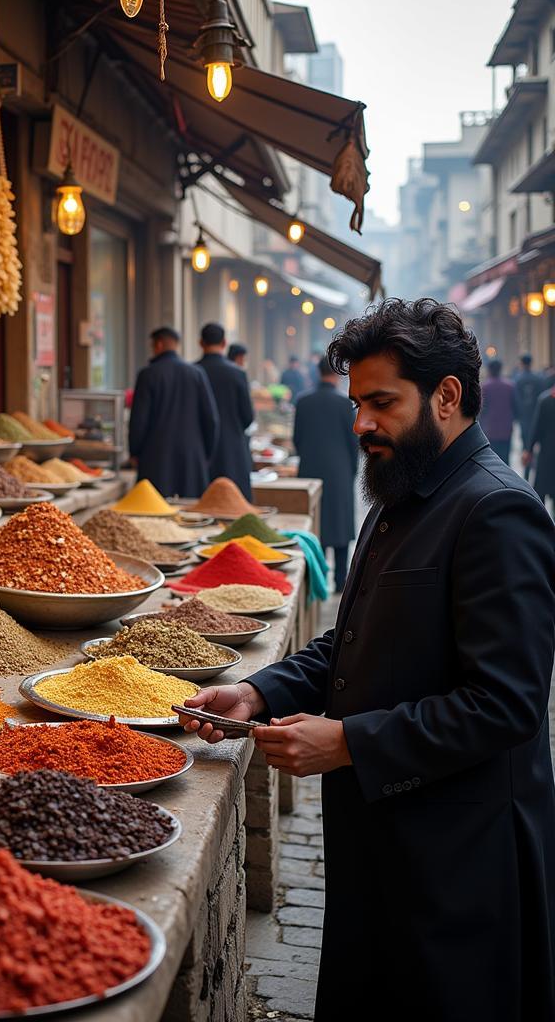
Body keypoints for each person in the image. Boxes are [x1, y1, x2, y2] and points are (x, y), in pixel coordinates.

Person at [181, 298, 555, 1022]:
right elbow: (352, 640)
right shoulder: (402, 488)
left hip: (461, 862)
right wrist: (258, 692)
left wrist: (352, 741)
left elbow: (507, 703)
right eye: (356, 403)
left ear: (447, 397)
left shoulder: (497, 511)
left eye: (380, 403)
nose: (360, 424)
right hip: (387, 844)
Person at [128, 326, 219, 498]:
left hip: (156, 456)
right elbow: (211, 419)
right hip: (192, 456)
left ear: (159, 345)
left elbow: (139, 420)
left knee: (156, 513)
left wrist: (135, 452)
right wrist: (205, 454)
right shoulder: (197, 374)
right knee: (190, 513)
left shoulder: (148, 375)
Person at [293, 358, 358, 591]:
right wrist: (352, 469)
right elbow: (355, 442)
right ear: (337, 375)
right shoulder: (345, 404)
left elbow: (297, 439)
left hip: (310, 470)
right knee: (340, 523)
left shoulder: (303, 401)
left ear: (317, 373)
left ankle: (314, 580)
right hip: (339, 470)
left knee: (314, 524)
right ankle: (341, 581)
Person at [196, 323, 254, 498]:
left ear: (201, 343)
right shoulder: (237, 374)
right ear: (224, 343)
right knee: (235, 506)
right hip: (232, 449)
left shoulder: (193, 372)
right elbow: (248, 417)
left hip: (202, 450)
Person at [523, 379, 555, 510]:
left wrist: (528, 450)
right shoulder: (545, 400)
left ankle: (542, 525)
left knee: (540, 491)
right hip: (547, 454)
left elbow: (536, 428)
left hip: (547, 454)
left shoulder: (546, 400)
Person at [479, 358, 515, 463]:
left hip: (489, 429)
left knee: (491, 461)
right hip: (506, 429)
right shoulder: (510, 386)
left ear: (489, 370)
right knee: (505, 459)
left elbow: (481, 410)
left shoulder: (484, 387)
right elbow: (515, 407)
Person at [514, 352, 543, 438]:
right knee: (535, 434)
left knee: (524, 435)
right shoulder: (538, 378)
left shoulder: (518, 379)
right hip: (535, 410)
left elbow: (516, 398)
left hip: (523, 412)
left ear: (522, 363)